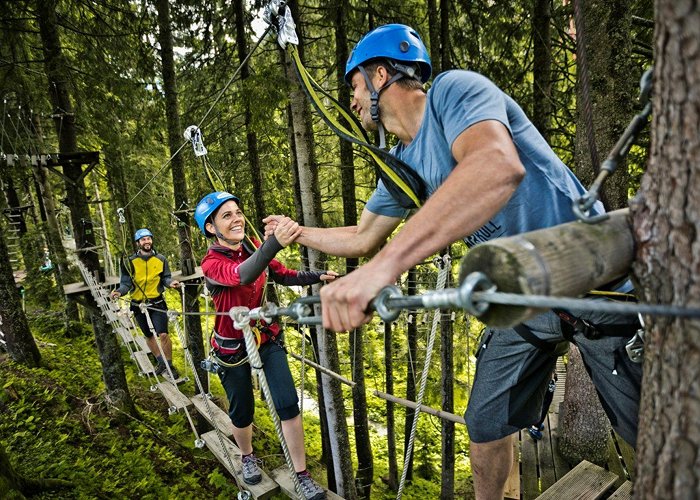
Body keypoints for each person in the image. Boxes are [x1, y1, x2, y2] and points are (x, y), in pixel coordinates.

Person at [264, 24, 642, 499]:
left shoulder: (453, 92)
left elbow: (495, 166)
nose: (354, 100)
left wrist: (383, 271)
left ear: (380, 75)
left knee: (650, 432)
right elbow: (363, 238)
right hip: (520, 299)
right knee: (484, 424)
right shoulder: (402, 164)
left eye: (355, 86)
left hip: (593, 282)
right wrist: (297, 234)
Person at [194, 191, 337, 499]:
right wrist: (275, 243)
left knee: (288, 404)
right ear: (210, 228)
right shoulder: (211, 264)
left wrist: (317, 275)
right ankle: (246, 455)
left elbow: (281, 275)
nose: (237, 219)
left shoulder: (252, 247)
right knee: (242, 410)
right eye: (226, 216)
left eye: (238, 212)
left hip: (266, 336)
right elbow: (242, 275)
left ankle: (301, 474)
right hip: (232, 347)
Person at [111, 228, 181, 379]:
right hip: (138, 304)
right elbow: (125, 283)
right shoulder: (129, 262)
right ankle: (160, 362)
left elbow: (165, 278)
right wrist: (119, 292)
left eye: (149, 238)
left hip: (157, 302)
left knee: (163, 334)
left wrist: (171, 283)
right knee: (148, 335)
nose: (147, 241)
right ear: (138, 243)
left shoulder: (161, 259)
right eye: (143, 240)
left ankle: (169, 365)